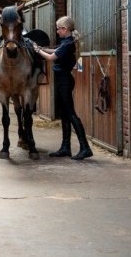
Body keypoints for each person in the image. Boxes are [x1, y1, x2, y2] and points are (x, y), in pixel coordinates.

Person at [32, 16, 93, 160]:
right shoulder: (65, 42)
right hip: (62, 80)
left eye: (58, 28)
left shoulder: (67, 43)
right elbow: (54, 50)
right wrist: (41, 48)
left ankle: (85, 147)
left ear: (64, 29)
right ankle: (65, 147)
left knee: (71, 113)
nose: (57, 31)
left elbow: (51, 58)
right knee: (64, 114)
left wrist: (36, 49)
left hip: (65, 80)